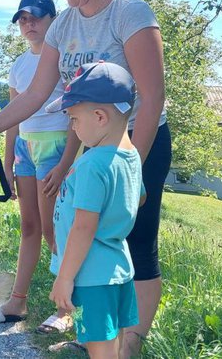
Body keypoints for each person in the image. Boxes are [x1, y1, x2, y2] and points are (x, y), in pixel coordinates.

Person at [0, 0, 171, 356]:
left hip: (137, 143)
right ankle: (98, 338)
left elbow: (153, 97)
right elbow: (36, 92)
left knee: (136, 243)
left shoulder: (130, 13)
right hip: (93, 146)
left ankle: (129, 345)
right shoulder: (63, 26)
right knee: (90, 245)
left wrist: (132, 167)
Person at [0, 0, 82, 335]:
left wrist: (67, 161)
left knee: (55, 229)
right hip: (25, 147)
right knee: (28, 227)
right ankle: (17, 302)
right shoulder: (18, 66)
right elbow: (13, 117)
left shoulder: (64, 59)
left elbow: (75, 115)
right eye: (22, 19)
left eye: (36, 16)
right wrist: (7, 163)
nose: (29, 24)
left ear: (53, 19)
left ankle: (65, 309)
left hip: (55, 146)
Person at [46, 61, 145, 358]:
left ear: (100, 117)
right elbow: (139, 198)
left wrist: (65, 277)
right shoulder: (131, 156)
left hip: (91, 275)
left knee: (100, 351)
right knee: (113, 345)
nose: (73, 127)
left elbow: (84, 227)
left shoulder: (92, 163)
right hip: (119, 269)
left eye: (74, 119)